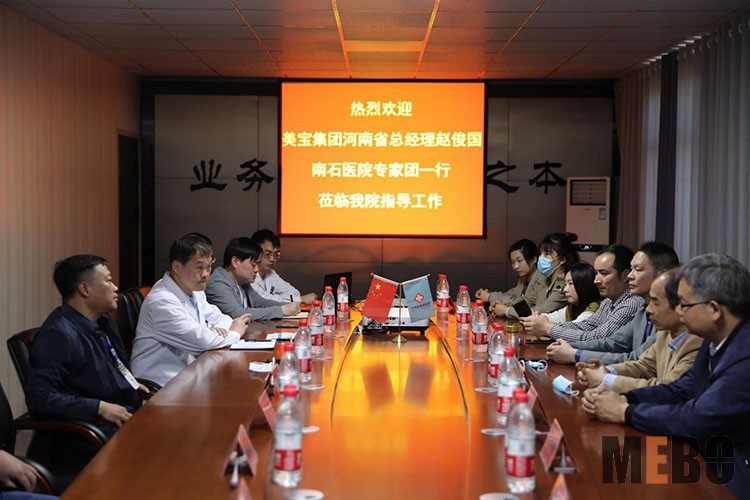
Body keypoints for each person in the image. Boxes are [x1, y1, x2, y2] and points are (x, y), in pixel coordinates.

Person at [581, 254, 750, 497]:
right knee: (605, 467)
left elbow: (697, 418)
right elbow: (682, 389)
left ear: (714, 309)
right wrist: (624, 399)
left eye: (684, 305)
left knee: (621, 479)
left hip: (731, 473)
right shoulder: (714, 338)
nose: (678, 312)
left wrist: (625, 412)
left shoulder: (744, 357)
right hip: (707, 453)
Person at [25, 255, 142, 484]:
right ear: (85, 289)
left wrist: (132, 384)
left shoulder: (102, 322)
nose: (115, 287)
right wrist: (99, 407)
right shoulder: (58, 334)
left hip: (124, 420)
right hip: (90, 440)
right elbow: (39, 397)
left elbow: (116, 366)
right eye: (108, 280)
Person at [131, 233, 250, 387]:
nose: (206, 274)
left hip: (191, 373)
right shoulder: (162, 301)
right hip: (162, 384)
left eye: (209, 266)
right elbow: (203, 341)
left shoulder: (194, 289)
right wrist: (234, 333)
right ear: (177, 267)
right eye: (199, 267)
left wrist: (216, 331)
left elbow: (221, 318)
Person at [546, 241, 680, 364]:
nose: (630, 276)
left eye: (638, 270)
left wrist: (574, 354)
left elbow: (637, 359)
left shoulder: (648, 307)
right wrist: (571, 347)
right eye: (631, 269)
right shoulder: (642, 308)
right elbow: (614, 342)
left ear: (663, 275)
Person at [576, 269, 702, 393]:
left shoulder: (696, 344)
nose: (649, 309)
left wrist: (606, 379)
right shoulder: (665, 333)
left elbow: (667, 389)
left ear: (680, 306)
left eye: (656, 302)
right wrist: (607, 371)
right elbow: (645, 366)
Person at [521, 244, 643, 342]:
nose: (596, 280)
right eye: (596, 273)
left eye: (604, 273)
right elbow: (584, 326)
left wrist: (548, 329)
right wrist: (544, 324)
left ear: (625, 275)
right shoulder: (608, 302)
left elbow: (596, 337)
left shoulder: (631, 303)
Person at [205, 237, 300, 320]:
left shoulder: (242, 281)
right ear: (235, 262)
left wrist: (286, 306)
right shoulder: (217, 284)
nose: (256, 270)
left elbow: (260, 302)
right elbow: (238, 314)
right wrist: (281, 310)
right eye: (253, 265)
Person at [492, 232, 579, 319]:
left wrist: (506, 311)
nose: (541, 258)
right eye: (541, 253)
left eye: (547, 254)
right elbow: (528, 300)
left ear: (562, 259)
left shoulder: (566, 282)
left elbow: (541, 311)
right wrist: (505, 305)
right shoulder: (544, 277)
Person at [250, 229, 317, 305]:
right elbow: (263, 300)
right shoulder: (249, 275)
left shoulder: (271, 273)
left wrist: (277, 297)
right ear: (255, 252)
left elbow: (294, 292)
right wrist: (301, 299)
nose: (272, 259)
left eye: (276, 254)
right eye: (267, 254)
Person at [476, 239, 538, 304]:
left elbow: (522, 304)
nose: (516, 266)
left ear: (534, 259)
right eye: (513, 262)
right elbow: (509, 295)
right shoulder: (524, 278)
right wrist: (488, 294)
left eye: (519, 261)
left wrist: (489, 297)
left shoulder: (540, 280)